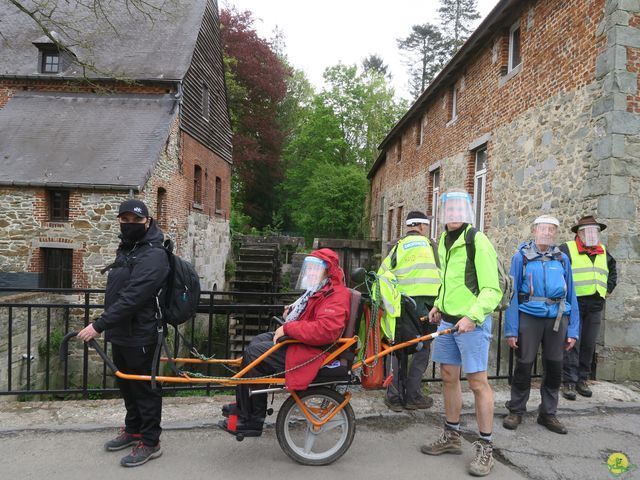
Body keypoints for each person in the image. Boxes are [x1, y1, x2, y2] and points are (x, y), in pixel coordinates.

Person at [218, 248, 351, 436]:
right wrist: (292, 313)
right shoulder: (322, 289)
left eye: (315, 269)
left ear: (328, 271)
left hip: (315, 352)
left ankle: (252, 420)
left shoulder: (336, 295)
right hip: (306, 344)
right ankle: (245, 406)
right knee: (256, 343)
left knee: (256, 354)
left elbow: (326, 330)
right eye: (309, 268)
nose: (310, 272)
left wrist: (288, 328)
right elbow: (311, 317)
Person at [77, 199, 169, 467]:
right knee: (127, 385)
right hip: (121, 332)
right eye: (125, 220)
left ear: (148, 222)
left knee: (145, 388)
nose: (130, 225)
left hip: (142, 334)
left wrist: (98, 325)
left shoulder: (154, 254)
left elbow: (133, 297)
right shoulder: (127, 249)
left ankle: (151, 442)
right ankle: (134, 430)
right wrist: (108, 325)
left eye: (136, 220)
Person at [421, 190, 502, 478]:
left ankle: (486, 446)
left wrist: (473, 316)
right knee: (447, 376)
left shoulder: (477, 240)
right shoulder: (443, 240)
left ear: (467, 211)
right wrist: (438, 306)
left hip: (472, 323)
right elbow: (449, 281)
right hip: (448, 322)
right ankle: (452, 436)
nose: (453, 213)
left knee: (478, 383)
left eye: (458, 208)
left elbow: (493, 288)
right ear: (442, 212)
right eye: (448, 208)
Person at [502, 215, 579, 435]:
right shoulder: (521, 257)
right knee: (524, 364)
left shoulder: (562, 259)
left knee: (555, 365)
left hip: (558, 317)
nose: (546, 233)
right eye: (542, 229)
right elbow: (512, 295)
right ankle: (516, 409)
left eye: (551, 230)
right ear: (534, 231)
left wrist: (573, 330)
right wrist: (511, 329)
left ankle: (548, 413)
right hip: (529, 316)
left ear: (555, 234)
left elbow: (572, 295)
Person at [377, 211, 440, 411]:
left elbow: (383, 277)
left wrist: (389, 305)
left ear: (408, 227)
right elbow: (444, 274)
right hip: (429, 308)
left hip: (403, 308)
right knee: (423, 350)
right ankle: (413, 395)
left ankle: (394, 397)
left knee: (396, 349)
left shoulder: (397, 247)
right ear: (422, 227)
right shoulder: (433, 247)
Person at [560, 215, 617, 400]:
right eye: (588, 231)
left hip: (595, 304)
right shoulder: (567, 249)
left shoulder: (603, 251)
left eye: (596, 231)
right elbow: (558, 272)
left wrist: (606, 290)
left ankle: (582, 380)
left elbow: (612, 271)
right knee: (571, 343)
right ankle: (568, 381)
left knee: (588, 344)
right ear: (579, 233)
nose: (593, 235)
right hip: (574, 304)